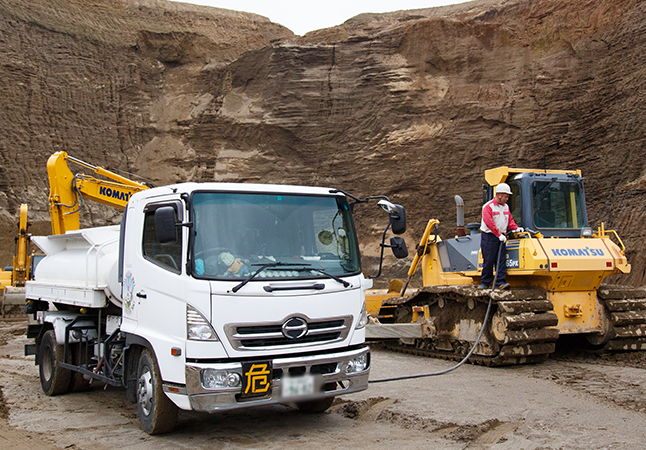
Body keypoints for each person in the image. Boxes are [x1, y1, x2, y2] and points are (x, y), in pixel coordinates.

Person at [480, 182, 523, 289]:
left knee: (501, 260)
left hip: (501, 237)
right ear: (499, 195)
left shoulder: (505, 207)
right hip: (489, 237)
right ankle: (485, 282)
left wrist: (516, 228)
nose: (507, 198)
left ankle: (500, 282)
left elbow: (509, 221)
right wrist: (498, 234)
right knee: (489, 259)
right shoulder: (488, 207)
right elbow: (489, 223)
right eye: (506, 196)